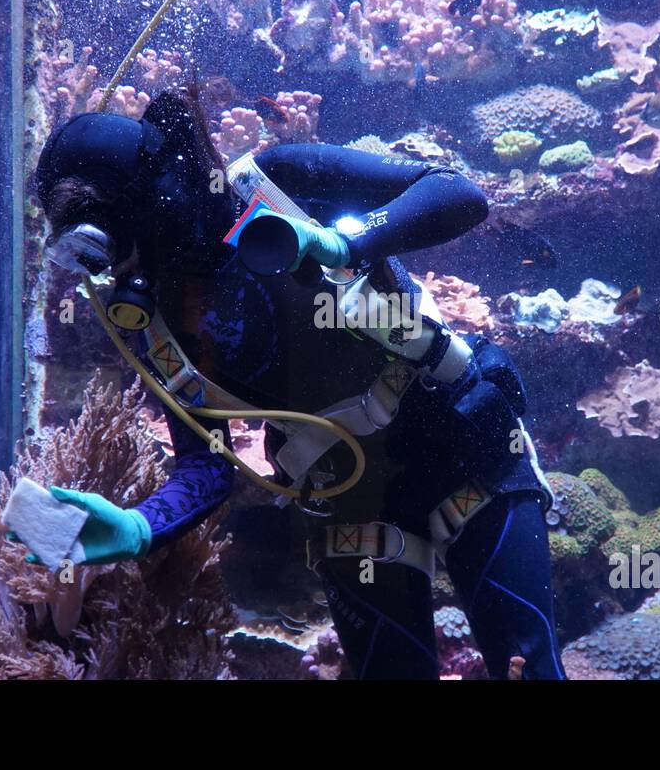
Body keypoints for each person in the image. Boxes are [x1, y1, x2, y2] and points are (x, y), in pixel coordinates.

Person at [28, 88, 565, 679]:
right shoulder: (150, 324)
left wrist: (347, 241)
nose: (128, 276)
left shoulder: (276, 183)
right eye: (103, 262)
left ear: (160, 201)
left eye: (124, 248)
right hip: (353, 510)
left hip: (467, 445)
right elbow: (206, 467)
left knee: (529, 670)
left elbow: (458, 193)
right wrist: (138, 526)